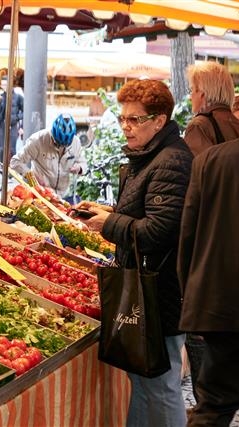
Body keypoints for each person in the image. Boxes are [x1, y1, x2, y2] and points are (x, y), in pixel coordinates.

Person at [78, 79, 193, 427]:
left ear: (159, 121)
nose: (126, 127)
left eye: (135, 120)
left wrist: (110, 222)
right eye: (123, 119)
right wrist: (104, 211)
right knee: (144, 384)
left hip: (162, 291)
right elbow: (142, 212)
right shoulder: (149, 157)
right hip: (149, 290)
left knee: (160, 386)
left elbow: (159, 230)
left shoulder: (171, 161)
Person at [178, 74, 239, 427]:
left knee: (212, 409)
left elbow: (189, 238)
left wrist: (191, 295)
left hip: (222, 307)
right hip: (224, 306)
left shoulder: (209, 162)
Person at [9, 113, 87, 198]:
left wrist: (79, 168)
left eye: (66, 145)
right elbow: (15, 162)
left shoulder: (76, 142)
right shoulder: (37, 140)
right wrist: (30, 175)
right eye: (58, 144)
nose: (61, 147)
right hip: (40, 194)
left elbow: (83, 163)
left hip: (63, 195)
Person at [184, 61, 239, 157]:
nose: (190, 96)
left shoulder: (199, 126)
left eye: (192, 89)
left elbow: (198, 169)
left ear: (202, 93)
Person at [0, 77, 24, 165]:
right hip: (2, 125)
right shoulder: (1, 96)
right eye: (2, 85)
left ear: (11, 84)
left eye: (6, 84)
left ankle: (12, 169)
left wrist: (19, 122)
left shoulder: (18, 97)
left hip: (13, 125)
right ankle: (3, 169)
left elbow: (25, 111)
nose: (4, 87)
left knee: (12, 149)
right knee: (2, 149)